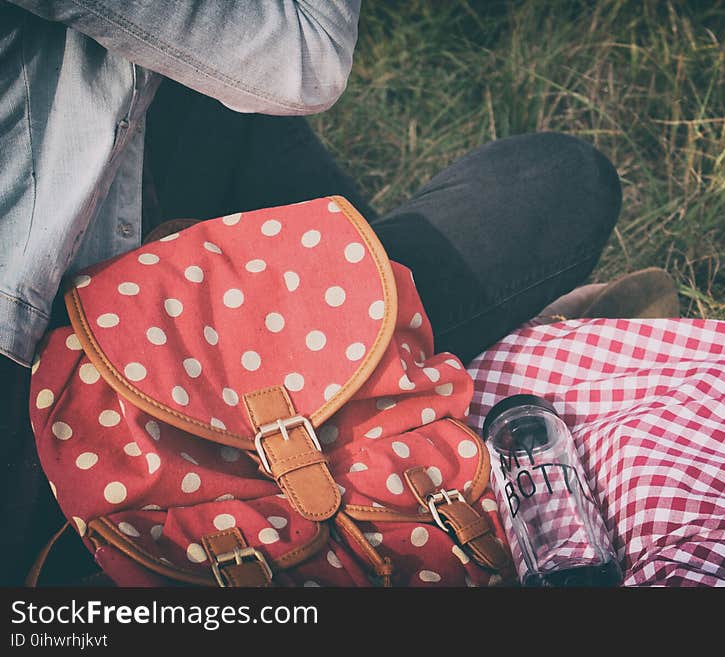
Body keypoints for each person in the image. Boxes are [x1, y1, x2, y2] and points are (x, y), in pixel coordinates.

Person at [0, 1, 642, 584]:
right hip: (49, 405)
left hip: (133, 304)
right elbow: (305, 56)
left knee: (218, 106)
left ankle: (389, 336)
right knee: (557, 181)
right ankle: (431, 348)